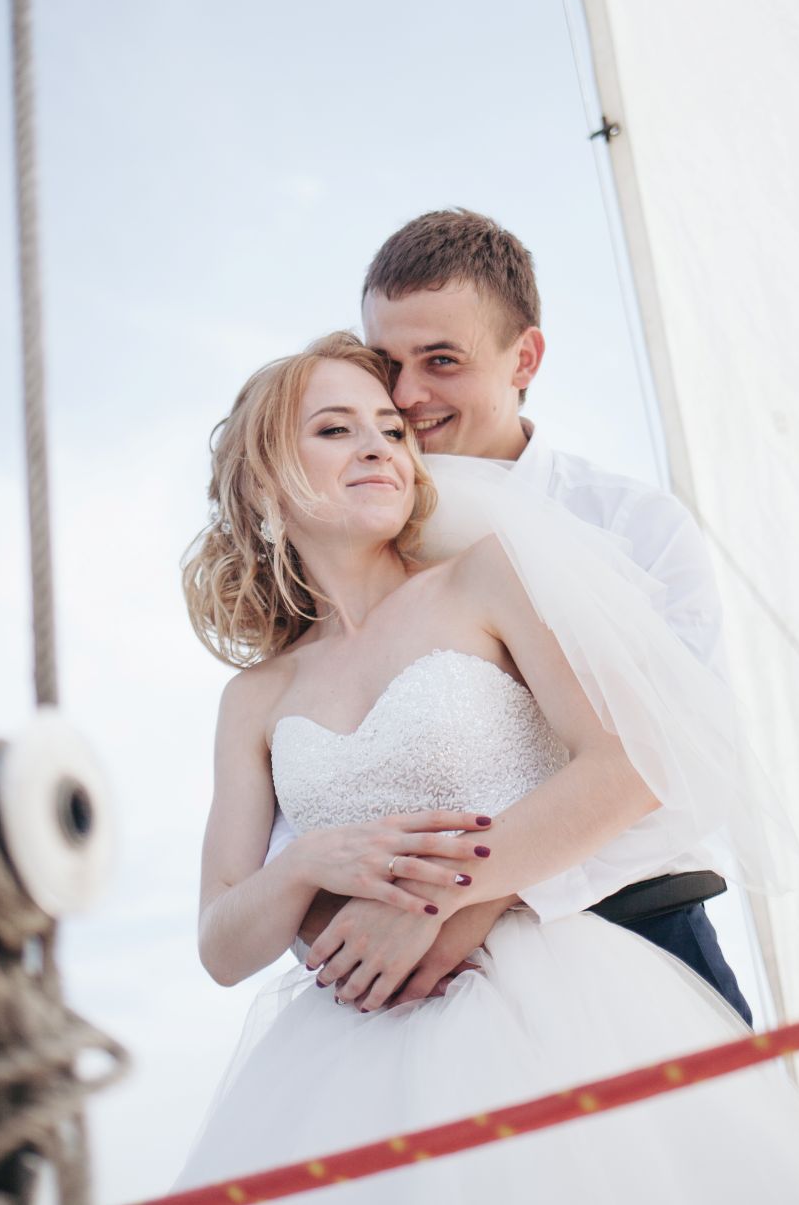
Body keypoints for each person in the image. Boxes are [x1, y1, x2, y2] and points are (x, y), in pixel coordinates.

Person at [170, 334, 799, 1199]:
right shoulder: (255, 697)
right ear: (266, 480)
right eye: (334, 428)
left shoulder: (485, 576)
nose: (377, 446)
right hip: (345, 1057)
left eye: (391, 430)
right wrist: (314, 861)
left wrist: (441, 900)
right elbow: (221, 941)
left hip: (557, 1002)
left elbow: (634, 761)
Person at [264, 208, 753, 1021]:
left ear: (523, 357)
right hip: (405, 995)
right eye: (387, 363)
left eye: (442, 361)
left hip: (640, 944)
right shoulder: (352, 541)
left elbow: (682, 755)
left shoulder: (633, 527)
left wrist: (468, 903)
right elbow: (305, 768)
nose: (410, 394)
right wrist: (330, 926)